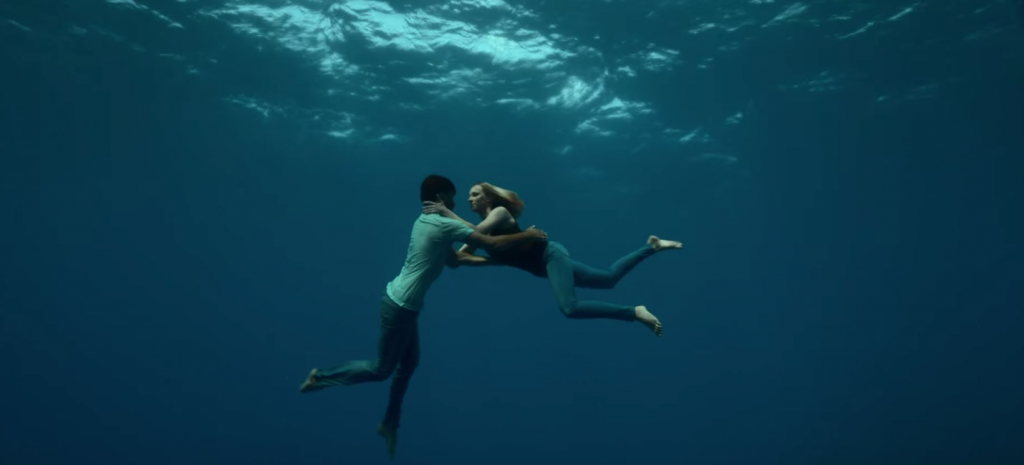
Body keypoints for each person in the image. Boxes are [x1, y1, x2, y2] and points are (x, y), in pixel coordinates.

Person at [299, 175, 546, 460]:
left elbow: (456, 260)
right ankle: (320, 377)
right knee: (381, 369)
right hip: (399, 306)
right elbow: (491, 242)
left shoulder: (428, 222)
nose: (457, 203)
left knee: (408, 363)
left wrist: (498, 263)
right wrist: (526, 236)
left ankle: (389, 424)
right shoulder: (442, 223)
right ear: (441, 197)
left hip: (405, 306)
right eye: (452, 197)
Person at [422, 182, 682, 337]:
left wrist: (446, 212)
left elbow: (475, 233)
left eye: (475, 194)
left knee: (570, 308)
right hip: (544, 267)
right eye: (468, 196)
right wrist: (442, 245)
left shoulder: (499, 212)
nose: (470, 199)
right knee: (609, 279)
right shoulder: (481, 229)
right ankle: (652, 246)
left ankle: (634, 312)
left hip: (551, 255)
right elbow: (461, 258)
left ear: (488, 197)